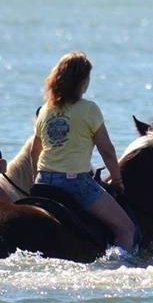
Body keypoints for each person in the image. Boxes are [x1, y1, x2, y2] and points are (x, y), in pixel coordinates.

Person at [31, 52, 136, 251]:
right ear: (82, 82)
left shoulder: (45, 110)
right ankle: (117, 269)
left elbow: (34, 153)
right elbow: (107, 151)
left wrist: (36, 178)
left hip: (43, 181)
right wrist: (118, 181)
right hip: (75, 183)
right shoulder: (89, 109)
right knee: (126, 229)